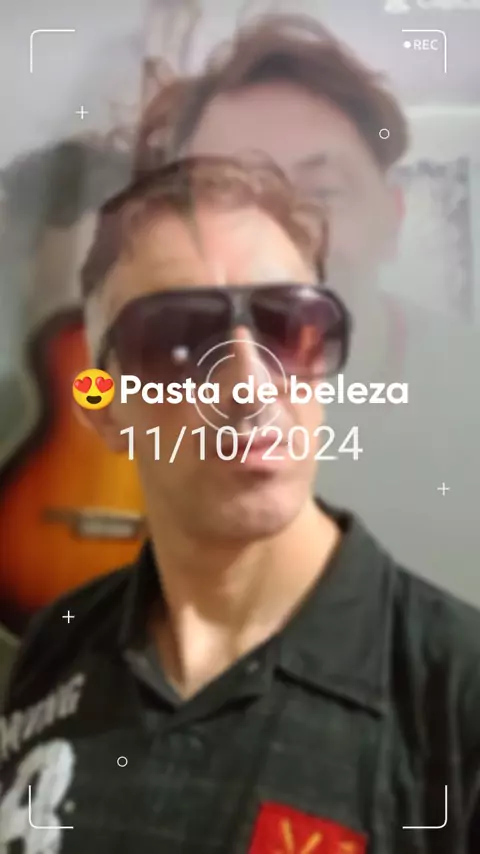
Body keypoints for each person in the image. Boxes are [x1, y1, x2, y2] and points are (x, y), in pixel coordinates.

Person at [1, 154, 480, 853]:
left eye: (289, 326)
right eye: (178, 340)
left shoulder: (455, 693)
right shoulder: (59, 647)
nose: (251, 385)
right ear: (104, 411)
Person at [134, 14, 480, 592]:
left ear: (391, 219)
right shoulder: (147, 387)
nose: (286, 235)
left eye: (323, 192)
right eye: (234, 193)